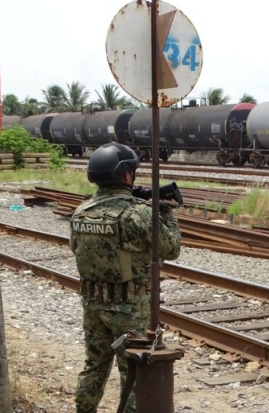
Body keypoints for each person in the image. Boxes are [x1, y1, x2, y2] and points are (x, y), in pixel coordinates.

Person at [70, 142, 182, 413]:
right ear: (125, 174)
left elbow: (77, 249)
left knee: (93, 367)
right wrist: (163, 211)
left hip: (93, 304)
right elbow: (172, 249)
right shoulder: (139, 213)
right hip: (129, 309)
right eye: (132, 170)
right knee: (132, 372)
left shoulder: (81, 211)